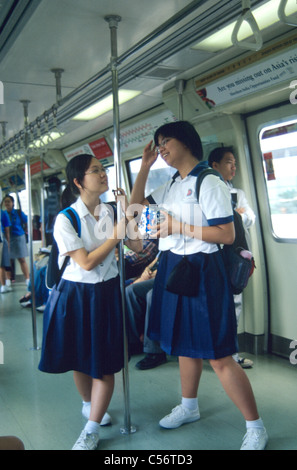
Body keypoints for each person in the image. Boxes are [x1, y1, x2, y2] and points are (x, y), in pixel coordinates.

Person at [130, 121, 268, 450]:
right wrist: (145, 169)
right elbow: (136, 213)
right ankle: (189, 406)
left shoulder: (209, 181)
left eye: (166, 142)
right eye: (158, 144)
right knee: (181, 343)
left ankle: (255, 426)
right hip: (173, 267)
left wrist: (179, 225)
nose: (161, 148)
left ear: (187, 142)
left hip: (203, 269)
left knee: (219, 355)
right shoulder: (170, 185)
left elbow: (226, 234)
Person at [38, 154, 142, 451]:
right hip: (76, 294)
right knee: (80, 357)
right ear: (78, 181)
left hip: (107, 292)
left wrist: (126, 213)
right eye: (95, 170)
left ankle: (91, 430)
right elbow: (84, 263)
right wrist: (115, 235)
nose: (103, 174)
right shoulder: (65, 219)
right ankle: (88, 403)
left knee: (104, 364)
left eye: (103, 169)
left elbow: (135, 245)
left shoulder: (111, 211)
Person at [208, 146, 256, 369]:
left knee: (235, 302)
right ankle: (211, 351)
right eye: (229, 162)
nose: (233, 167)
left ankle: (232, 354)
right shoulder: (207, 191)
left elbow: (250, 218)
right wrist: (234, 216)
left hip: (234, 254)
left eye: (235, 163)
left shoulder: (238, 194)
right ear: (215, 166)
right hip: (212, 254)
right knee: (212, 304)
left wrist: (237, 218)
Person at [126, 256, 167, 369]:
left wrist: (158, 272)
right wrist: (147, 269)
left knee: (152, 295)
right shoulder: (164, 242)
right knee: (131, 291)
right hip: (161, 274)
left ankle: (155, 352)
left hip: (177, 274)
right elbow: (158, 258)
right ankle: (134, 343)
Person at [2, 195, 30, 287]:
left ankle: (27, 279)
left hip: (18, 237)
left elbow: (27, 221)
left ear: (13, 203)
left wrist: (25, 231)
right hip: (7, 238)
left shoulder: (18, 213)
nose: (7, 203)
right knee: (7, 261)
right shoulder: (4, 214)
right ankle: (8, 281)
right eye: (5, 202)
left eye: (8, 201)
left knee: (21, 259)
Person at [0, 204, 12, 293]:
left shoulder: (3, 213)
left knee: (2, 264)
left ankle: (4, 284)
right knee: (2, 264)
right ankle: (3, 285)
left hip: (2, 240)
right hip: (1, 240)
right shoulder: (3, 213)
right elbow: (7, 230)